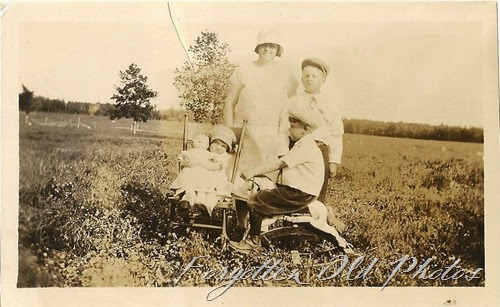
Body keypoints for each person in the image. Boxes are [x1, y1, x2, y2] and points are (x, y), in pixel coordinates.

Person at [224, 30, 298, 237]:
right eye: (264, 45)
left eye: (272, 46)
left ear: (278, 50)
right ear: (257, 48)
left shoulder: (287, 75)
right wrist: (230, 132)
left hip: (273, 135)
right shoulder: (243, 70)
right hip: (246, 132)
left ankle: (259, 228)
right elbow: (230, 101)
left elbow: (293, 103)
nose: (267, 49)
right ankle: (240, 223)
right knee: (241, 180)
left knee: (265, 182)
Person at [229, 114, 325, 253]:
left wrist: (253, 171)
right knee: (258, 194)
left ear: (305, 129)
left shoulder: (306, 145)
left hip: (299, 193)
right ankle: (244, 229)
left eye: (292, 127)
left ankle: (253, 242)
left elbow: (280, 164)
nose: (289, 130)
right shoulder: (304, 144)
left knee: (257, 200)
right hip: (298, 191)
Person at [278, 58, 344, 203]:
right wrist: (283, 153)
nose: (310, 79)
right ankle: (293, 221)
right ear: (301, 79)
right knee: (294, 187)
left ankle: (316, 219)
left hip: (320, 151)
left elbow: (336, 133)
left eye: (314, 76)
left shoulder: (329, 103)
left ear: (323, 80)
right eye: (306, 76)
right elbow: (283, 129)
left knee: (317, 191)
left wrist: (333, 160)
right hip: (296, 150)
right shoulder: (294, 101)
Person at [172, 125, 236, 216]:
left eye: (223, 146)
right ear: (209, 143)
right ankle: (186, 201)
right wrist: (185, 162)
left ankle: (206, 205)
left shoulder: (223, 157)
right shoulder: (202, 152)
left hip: (214, 180)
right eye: (216, 143)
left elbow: (216, 167)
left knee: (210, 193)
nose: (218, 147)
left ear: (227, 149)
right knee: (190, 184)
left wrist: (200, 163)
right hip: (196, 178)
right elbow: (187, 158)